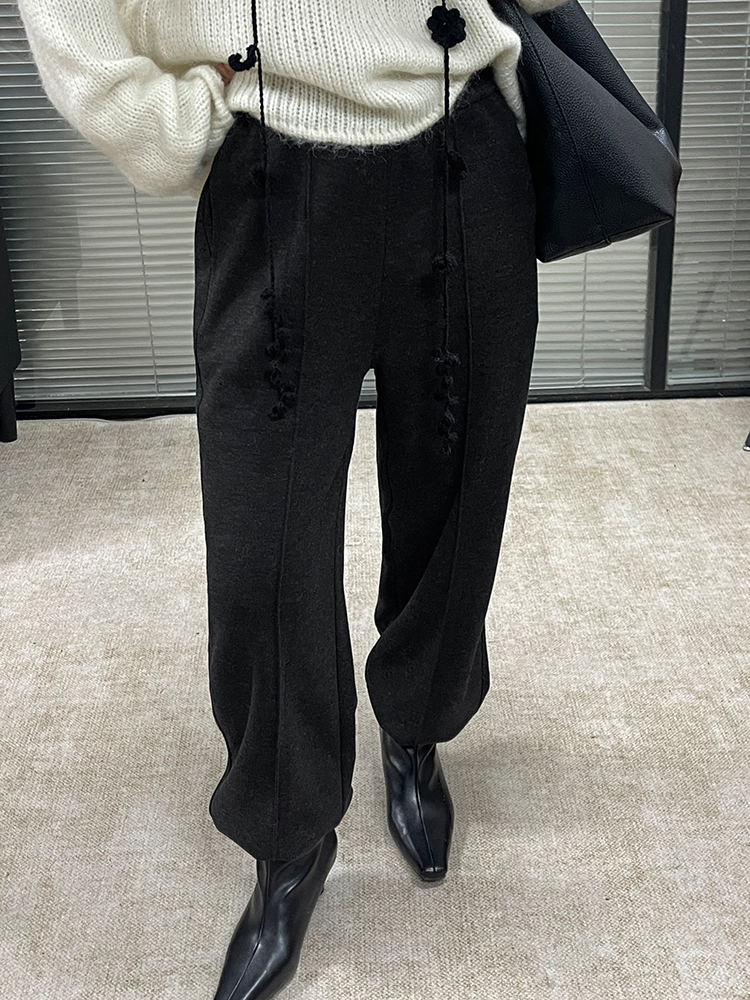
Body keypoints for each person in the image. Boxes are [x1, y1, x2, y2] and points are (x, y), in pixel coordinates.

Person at [17, 0, 571, 997]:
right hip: (276, 167)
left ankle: (416, 722)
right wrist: (174, 124)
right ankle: (289, 839)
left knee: (459, 491)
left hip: (466, 142)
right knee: (261, 547)